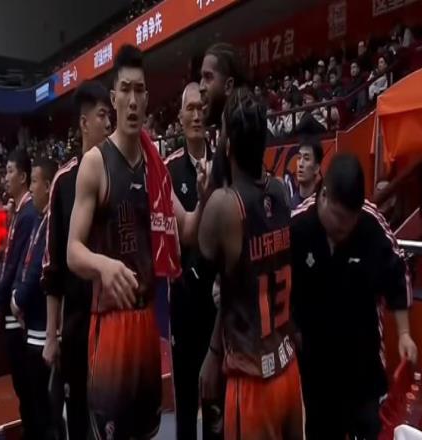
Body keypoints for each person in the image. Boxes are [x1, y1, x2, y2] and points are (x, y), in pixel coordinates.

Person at [66, 44, 207, 439]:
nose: (132, 100)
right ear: (113, 99)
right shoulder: (95, 164)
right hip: (110, 325)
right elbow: (72, 250)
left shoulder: (155, 168)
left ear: (146, 99)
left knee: (147, 432)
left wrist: (205, 195)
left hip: (146, 321)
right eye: (125, 90)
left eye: (139, 91)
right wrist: (104, 265)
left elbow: (188, 229)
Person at [198, 87, 303, 440]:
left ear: (227, 144)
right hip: (287, 367)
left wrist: (207, 188)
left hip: (253, 381)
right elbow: (238, 286)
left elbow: (197, 265)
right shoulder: (280, 192)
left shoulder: (223, 206)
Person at [291, 153, 417, 440]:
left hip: (364, 367)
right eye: (337, 219)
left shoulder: (371, 224)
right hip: (316, 370)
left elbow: (398, 273)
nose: (343, 229)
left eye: (350, 221)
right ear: (323, 195)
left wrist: (405, 334)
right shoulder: (297, 226)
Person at [41, 80, 111, 440]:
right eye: (102, 116)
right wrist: (51, 336)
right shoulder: (64, 182)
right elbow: (53, 267)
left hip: (114, 323)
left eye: (110, 116)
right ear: (84, 123)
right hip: (77, 327)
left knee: (114, 418)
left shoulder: (120, 174)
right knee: (79, 422)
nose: (109, 124)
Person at [164, 82, 217, 440]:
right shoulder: (167, 170)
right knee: (185, 403)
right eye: (190, 109)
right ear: (180, 117)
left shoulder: (224, 164)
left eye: (201, 108)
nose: (197, 115)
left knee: (216, 406)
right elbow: (177, 234)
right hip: (183, 301)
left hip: (218, 302)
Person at [11, 158, 61, 440]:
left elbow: (37, 272)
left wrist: (18, 299)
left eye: (34, 181)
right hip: (32, 327)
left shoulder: (52, 221)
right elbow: (23, 264)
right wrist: (17, 295)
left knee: (45, 412)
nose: (31, 189)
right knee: (36, 405)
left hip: (43, 332)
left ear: (48, 185)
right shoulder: (41, 220)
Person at [0, 149, 38, 438]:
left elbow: (16, 265)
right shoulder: (19, 212)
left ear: (23, 176)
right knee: (24, 389)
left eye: (10, 171)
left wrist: (1, 297)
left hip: (18, 314)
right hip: (11, 310)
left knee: (28, 389)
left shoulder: (29, 214)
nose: (5, 177)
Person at [200, 42, 248, 188]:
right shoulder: (224, 136)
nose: (201, 87)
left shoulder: (244, 138)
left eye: (208, 77)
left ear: (228, 86)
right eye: (201, 78)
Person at [291, 136, 323, 208]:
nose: (300, 164)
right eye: (299, 158)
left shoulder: (322, 206)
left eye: (306, 158)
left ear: (316, 168)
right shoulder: (290, 207)